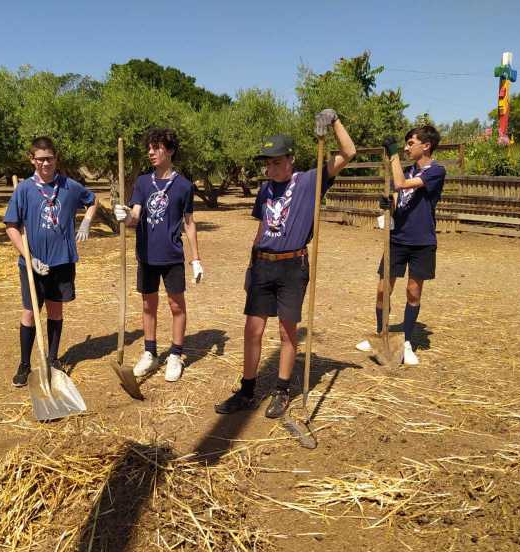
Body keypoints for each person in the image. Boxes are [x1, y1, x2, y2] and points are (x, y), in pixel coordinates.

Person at [214, 110, 356, 418]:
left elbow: (349, 152)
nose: (270, 167)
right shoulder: (265, 189)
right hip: (263, 264)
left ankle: (281, 389)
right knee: (252, 329)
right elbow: (262, 226)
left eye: (276, 161)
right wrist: (251, 266)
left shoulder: (310, 180)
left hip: (293, 266)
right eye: (267, 162)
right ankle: (247, 391)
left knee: (287, 331)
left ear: (290, 159)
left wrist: (334, 122)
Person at [4, 137, 97, 387]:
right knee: (30, 313)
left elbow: (92, 200)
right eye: (40, 158)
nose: (45, 163)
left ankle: (53, 359)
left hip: (62, 261)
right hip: (33, 265)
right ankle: (24, 364)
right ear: (32, 159)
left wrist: (86, 222)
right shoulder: (24, 189)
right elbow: (11, 227)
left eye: (50, 158)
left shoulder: (70, 186)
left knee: (56, 310)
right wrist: (28, 257)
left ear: (56, 159)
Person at [114, 128, 203, 382]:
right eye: (149, 148)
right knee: (147, 304)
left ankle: (175, 354)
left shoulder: (184, 186)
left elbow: (189, 222)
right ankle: (150, 353)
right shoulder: (143, 182)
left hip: (172, 256)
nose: (151, 152)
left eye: (157, 147)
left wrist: (195, 258)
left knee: (176, 305)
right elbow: (136, 216)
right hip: (147, 255)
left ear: (171, 150)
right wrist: (125, 215)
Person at [356, 125, 445, 366]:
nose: (406, 148)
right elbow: (397, 195)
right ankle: (380, 334)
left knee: (413, 291)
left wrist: (393, 153)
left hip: (421, 242)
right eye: (404, 145)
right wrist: (388, 205)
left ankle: (405, 342)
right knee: (383, 289)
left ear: (425, 146)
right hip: (397, 240)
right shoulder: (407, 170)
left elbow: (401, 184)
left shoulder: (436, 171)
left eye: (410, 144)